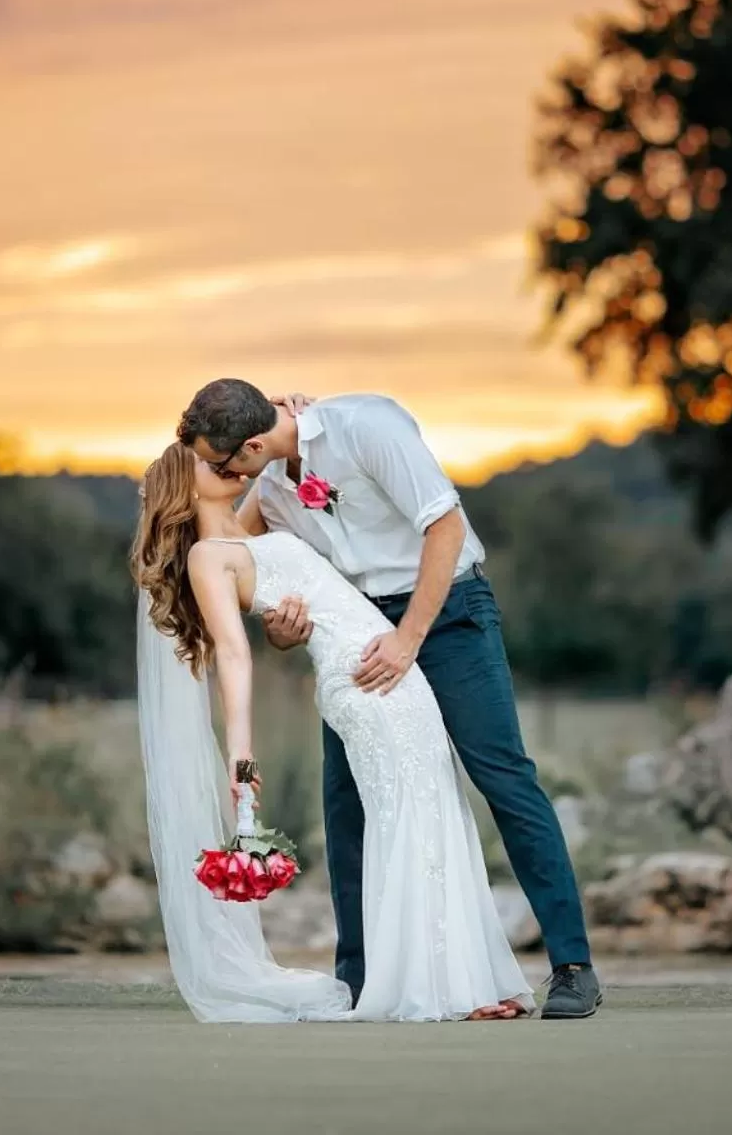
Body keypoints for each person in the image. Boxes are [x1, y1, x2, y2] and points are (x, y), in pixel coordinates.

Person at [178, 379, 602, 1021]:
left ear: (253, 444)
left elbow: (446, 527)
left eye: (221, 462)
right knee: (347, 799)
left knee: (503, 776)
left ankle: (572, 966)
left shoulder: (367, 426)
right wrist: (283, 631)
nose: (222, 476)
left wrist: (408, 639)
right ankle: (360, 976)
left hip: (448, 612)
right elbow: (254, 578)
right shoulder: (267, 492)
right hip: (355, 632)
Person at [132, 442, 534, 1022]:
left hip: (394, 673)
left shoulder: (247, 526)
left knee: (436, 807)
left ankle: (464, 980)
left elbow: (276, 449)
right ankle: (432, 990)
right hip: (361, 681)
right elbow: (234, 655)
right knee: (405, 816)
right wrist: (241, 756)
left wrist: (288, 416)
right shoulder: (206, 557)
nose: (223, 459)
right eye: (205, 459)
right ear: (185, 485)